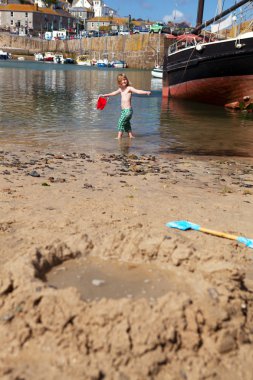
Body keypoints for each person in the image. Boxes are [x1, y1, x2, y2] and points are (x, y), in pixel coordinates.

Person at [103, 73, 151, 139]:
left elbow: (138, 91)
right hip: (124, 111)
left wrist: (146, 92)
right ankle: (130, 136)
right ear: (119, 82)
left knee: (120, 122)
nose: (124, 81)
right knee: (127, 123)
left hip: (128, 110)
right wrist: (107, 94)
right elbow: (114, 93)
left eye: (125, 79)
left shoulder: (129, 88)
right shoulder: (120, 89)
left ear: (127, 80)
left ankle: (119, 136)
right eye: (122, 80)